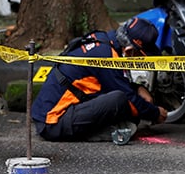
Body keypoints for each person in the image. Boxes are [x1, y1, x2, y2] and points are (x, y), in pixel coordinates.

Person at [32, 17, 168, 144]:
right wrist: (155, 113)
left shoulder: (102, 40)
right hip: (53, 123)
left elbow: (113, 81)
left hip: (47, 114)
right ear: (129, 50)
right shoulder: (107, 57)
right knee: (120, 101)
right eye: (140, 56)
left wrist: (137, 88)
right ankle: (102, 133)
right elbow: (128, 98)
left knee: (123, 100)